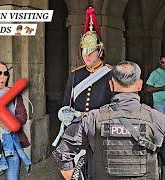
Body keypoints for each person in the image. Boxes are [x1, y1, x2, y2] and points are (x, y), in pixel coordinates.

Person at [53, 61, 165, 180]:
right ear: (139, 85)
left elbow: (63, 154)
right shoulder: (159, 120)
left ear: (110, 85)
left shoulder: (91, 119)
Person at [54, 7, 113, 179]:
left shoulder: (110, 73)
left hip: (100, 125)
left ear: (100, 51)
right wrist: (64, 114)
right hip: (78, 125)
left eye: (91, 51)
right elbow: (67, 103)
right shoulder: (75, 74)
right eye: (84, 51)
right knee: (63, 155)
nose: (86, 55)